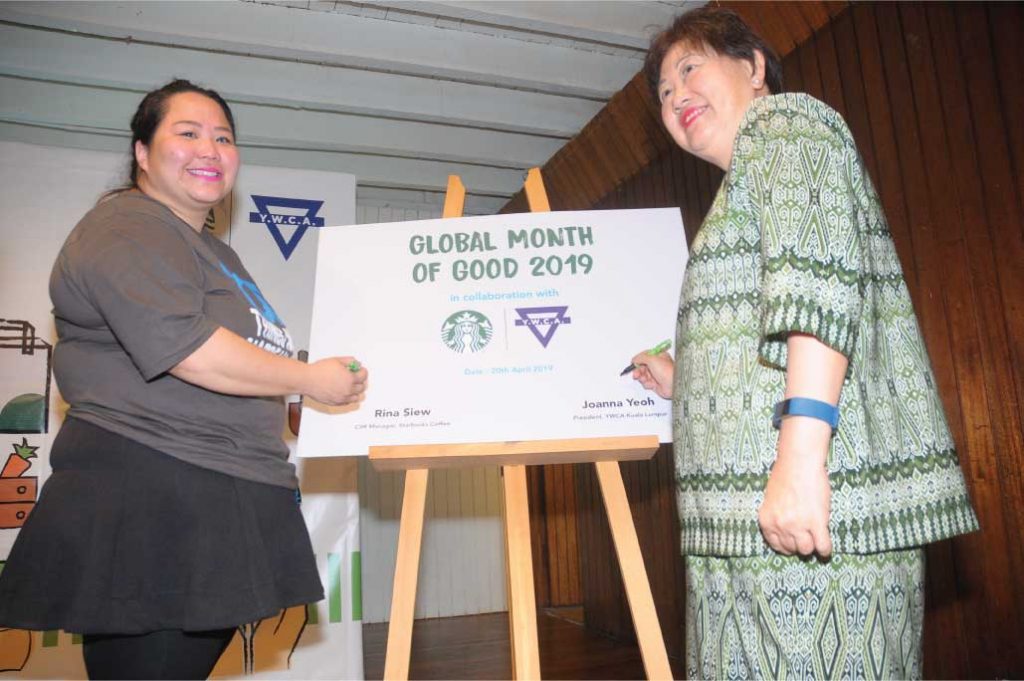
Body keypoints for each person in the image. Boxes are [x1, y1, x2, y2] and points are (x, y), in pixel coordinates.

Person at [630, 8, 978, 679]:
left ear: (754, 67)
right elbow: (773, 324)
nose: (676, 98)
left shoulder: (785, 123)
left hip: (806, 524)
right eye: (664, 93)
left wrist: (800, 457)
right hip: (745, 537)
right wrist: (686, 378)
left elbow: (817, 281)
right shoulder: (744, 188)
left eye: (689, 68)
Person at [0, 79, 367, 679]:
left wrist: (302, 392)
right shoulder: (127, 226)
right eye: (188, 132)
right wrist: (309, 379)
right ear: (142, 153)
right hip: (157, 490)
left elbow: (242, 361)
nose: (211, 148)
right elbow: (189, 350)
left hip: (214, 487)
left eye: (224, 137)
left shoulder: (213, 252)